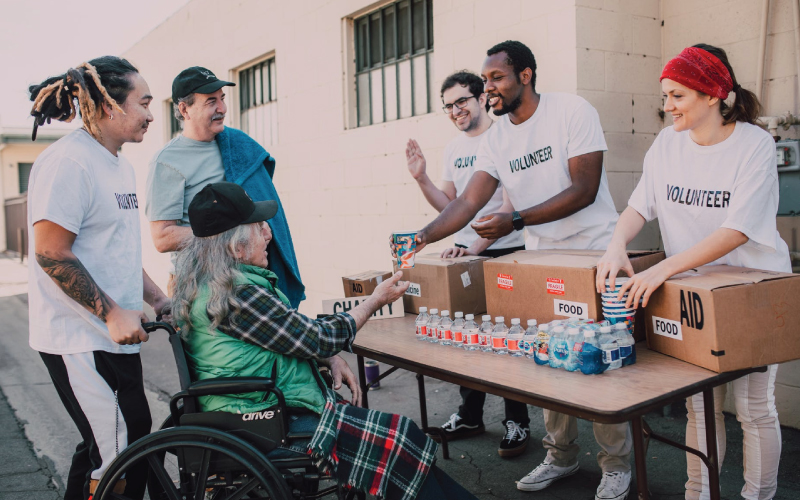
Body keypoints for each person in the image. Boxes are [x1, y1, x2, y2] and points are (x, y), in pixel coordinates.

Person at [398, 40, 632, 500]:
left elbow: (584, 188)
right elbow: (468, 201)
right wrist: (422, 236)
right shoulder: (497, 137)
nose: (489, 90)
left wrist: (518, 219)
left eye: (496, 78)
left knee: (600, 364)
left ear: (525, 75)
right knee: (548, 356)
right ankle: (561, 455)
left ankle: (617, 465)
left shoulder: (572, 111)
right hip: (542, 257)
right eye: (485, 81)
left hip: (593, 252)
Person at [172, 181, 480, 500]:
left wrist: (327, 356)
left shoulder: (211, 286)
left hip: (255, 409)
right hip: (263, 421)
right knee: (399, 438)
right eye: (259, 227)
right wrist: (374, 301)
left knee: (403, 442)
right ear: (235, 246)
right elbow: (318, 338)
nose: (268, 234)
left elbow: (291, 337)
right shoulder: (237, 296)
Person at [596, 44, 789, 500]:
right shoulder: (667, 144)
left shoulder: (755, 145)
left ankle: (757, 496)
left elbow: (736, 231)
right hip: (695, 291)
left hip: (753, 288)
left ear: (713, 95)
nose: (667, 106)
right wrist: (615, 245)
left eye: (678, 95)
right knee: (699, 408)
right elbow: (639, 205)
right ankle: (698, 495)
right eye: (665, 95)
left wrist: (661, 270)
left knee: (754, 407)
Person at [27, 56, 170, 500]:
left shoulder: (119, 165)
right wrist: (110, 313)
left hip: (114, 334)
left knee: (121, 440)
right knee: (116, 451)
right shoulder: (69, 163)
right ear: (110, 105)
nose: (150, 113)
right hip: (79, 338)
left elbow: (115, 251)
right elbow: (51, 253)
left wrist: (157, 298)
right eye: (143, 103)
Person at [405, 70, 528, 456]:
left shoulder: (505, 138)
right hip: (464, 255)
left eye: (462, 101)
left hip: (503, 252)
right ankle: (470, 415)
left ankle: (517, 422)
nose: (455, 110)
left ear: (481, 99)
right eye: (448, 106)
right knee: (466, 340)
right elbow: (452, 207)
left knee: (508, 341)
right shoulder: (454, 149)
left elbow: (510, 206)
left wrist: (472, 248)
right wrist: (422, 178)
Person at [145, 66, 304, 307]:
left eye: (222, 99)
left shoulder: (237, 144)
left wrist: (258, 228)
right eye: (211, 101)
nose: (222, 109)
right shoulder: (167, 162)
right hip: (198, 284)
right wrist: (233, 233)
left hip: (250, 279)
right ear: (184, 109)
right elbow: (162, 238)